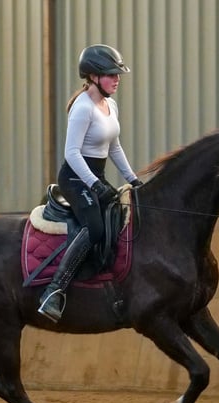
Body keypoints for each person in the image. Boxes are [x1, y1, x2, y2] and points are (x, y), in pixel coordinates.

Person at [38, 44, 143, 323]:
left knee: (118, 220)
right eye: (111, 75)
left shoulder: (110, 105)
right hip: (75, 178)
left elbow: (115, 147)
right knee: (95, 227)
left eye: (117, 74)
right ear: (94, 77)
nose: (117, 79)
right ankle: (54, 290)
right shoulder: (83, 108)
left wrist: (133, 179)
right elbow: (71, 153)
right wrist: (95, 185)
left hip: (96, 176)